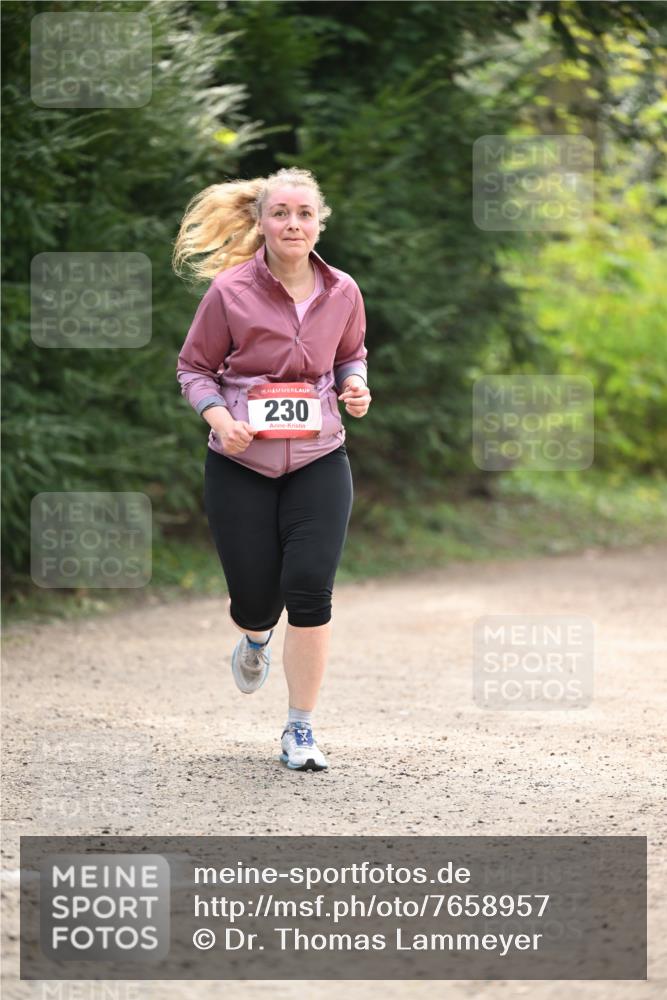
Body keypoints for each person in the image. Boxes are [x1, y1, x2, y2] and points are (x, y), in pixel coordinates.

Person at [173, 167, 371, 772]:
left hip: (318, 458)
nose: (293, 223)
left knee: (310, 588)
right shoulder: (230, 291)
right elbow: (194, 368)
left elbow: (351, 355)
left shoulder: (343, 291)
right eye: (281, 213)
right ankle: (256, 633)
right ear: (261, 223)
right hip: (241, 463)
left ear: (320, 223)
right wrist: (217, 418)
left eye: (304, 213)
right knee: (257, 599)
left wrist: (356, 386)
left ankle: (301, 729)